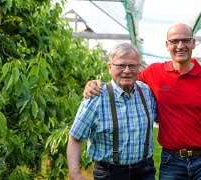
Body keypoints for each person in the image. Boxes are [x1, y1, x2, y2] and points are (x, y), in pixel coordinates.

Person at [83, 23, 201, 180]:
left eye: (185, 40)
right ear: (167, 45)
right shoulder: (153, 72)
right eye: (174, 41)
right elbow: (123, 80)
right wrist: (94, 84)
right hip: (172, 160)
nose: (180, 46)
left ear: (193, 43)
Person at [67, 43, 157, 180]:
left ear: (139, 68)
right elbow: (75, 136)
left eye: (132, 66)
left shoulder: (146, 91)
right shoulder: (96, 97)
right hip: (109, 173)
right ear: (110, 67)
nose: (127, 70)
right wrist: (75, 174)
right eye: (120, 65)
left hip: (145, 171)